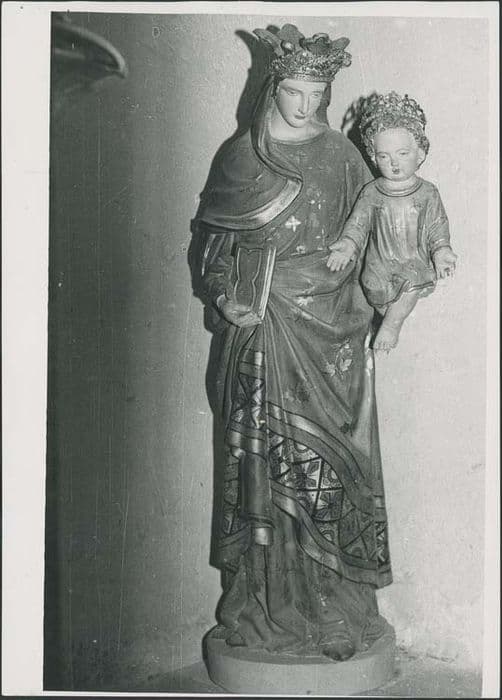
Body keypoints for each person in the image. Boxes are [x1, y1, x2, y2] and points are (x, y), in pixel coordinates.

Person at [195, 24, 392, 661]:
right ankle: (265, 605)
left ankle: (337, 609)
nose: (305, 105)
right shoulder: (239, 157)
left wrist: (393, 282)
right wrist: (225, 298)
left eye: (316, 94)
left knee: (327, 471)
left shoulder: (343, 156)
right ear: (272, 87)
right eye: (294, 91)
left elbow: (373, 236)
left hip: (333, 333)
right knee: (263, 469)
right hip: (263, 329)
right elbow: (214, 248)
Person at [327, 92, 458, 351]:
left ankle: (391, 325)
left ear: (420, 153)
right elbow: (358, 223)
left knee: (412, 281)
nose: (393, 162)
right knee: (372, 286)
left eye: (402, 153)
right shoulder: (372, 192)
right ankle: (392, 316)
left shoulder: (427, 192)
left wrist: (442, 250)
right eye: (384, 156)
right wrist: (347, 245)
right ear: (373, 157)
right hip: (380, 262)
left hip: (413, 260)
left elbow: (437, 226)